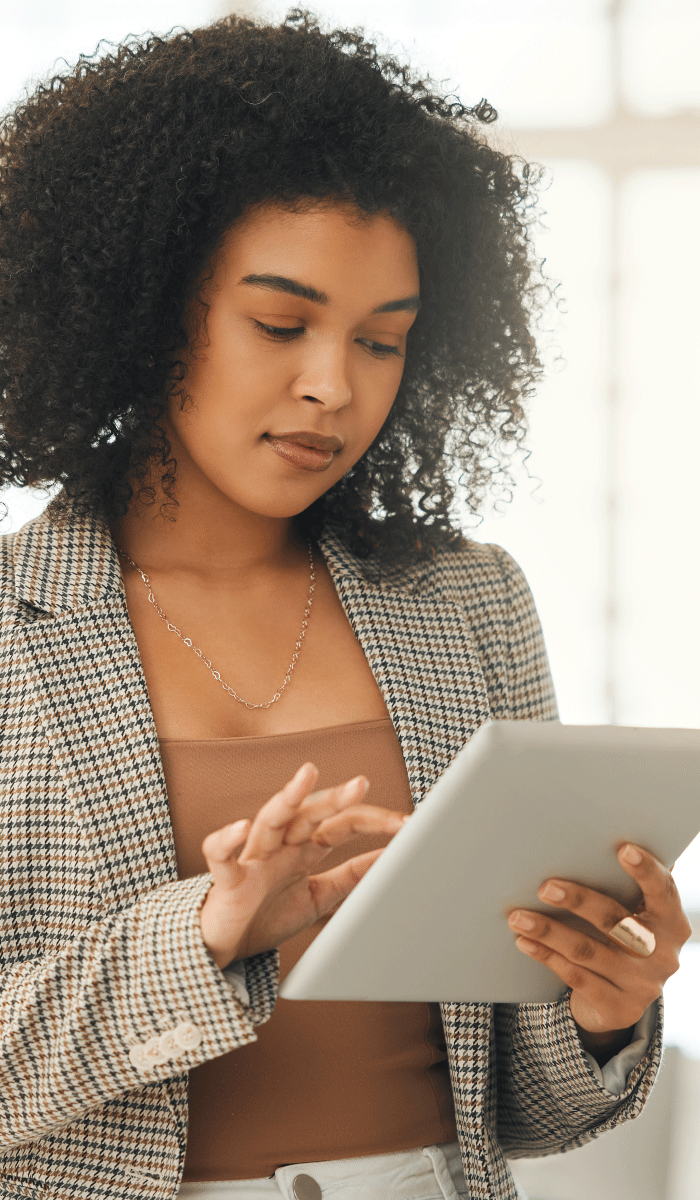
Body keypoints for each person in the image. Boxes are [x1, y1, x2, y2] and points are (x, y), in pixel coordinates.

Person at [0, 9, 690, 1200]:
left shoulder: (466, 601)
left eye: (382, 342)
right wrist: (207, 932)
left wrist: (602, 1007)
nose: (331, 385)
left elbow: (523, 1107)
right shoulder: (14, 629)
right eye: (280, 324)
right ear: (147, 308)